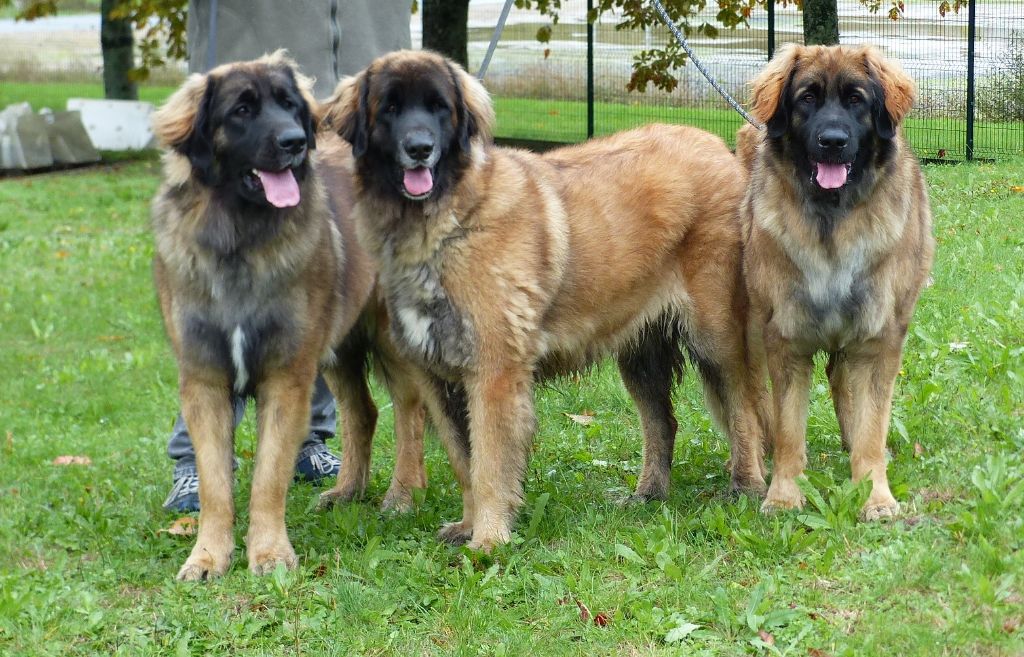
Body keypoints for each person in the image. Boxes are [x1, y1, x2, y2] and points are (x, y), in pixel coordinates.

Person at [163, 0, 412, 512]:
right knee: (208, 329)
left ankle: (312, 442)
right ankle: (195, 462)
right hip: (252, 38)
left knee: (338, 319)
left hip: (366, 67)